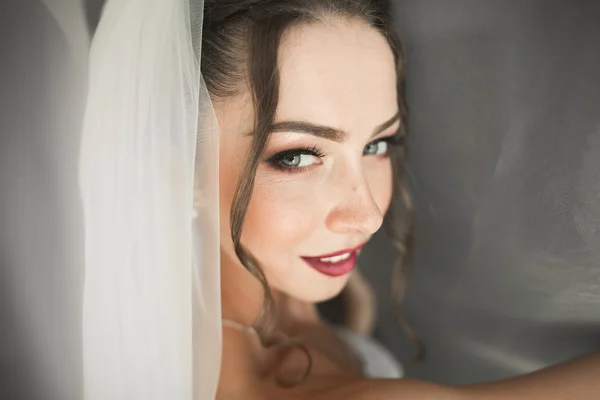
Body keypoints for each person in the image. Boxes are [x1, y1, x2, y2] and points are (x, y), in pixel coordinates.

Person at [79, 0, 600, 399]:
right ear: (176, 169)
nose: (368, 215)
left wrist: (347, 327)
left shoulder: (278, 293)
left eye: (377, 144)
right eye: (299, 156)